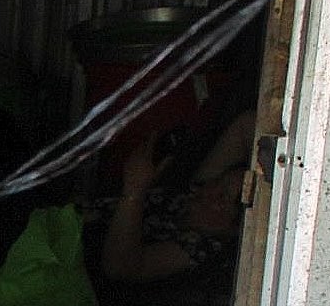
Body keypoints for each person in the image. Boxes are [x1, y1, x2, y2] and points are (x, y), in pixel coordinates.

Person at [98, 101, 256, 284]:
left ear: (235, 228)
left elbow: (119, 268)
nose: (212, 189)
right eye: (219, 181)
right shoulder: (196, 193)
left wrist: (134, 191)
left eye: (223, 196)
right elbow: (246, 126)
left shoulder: (204, 246)